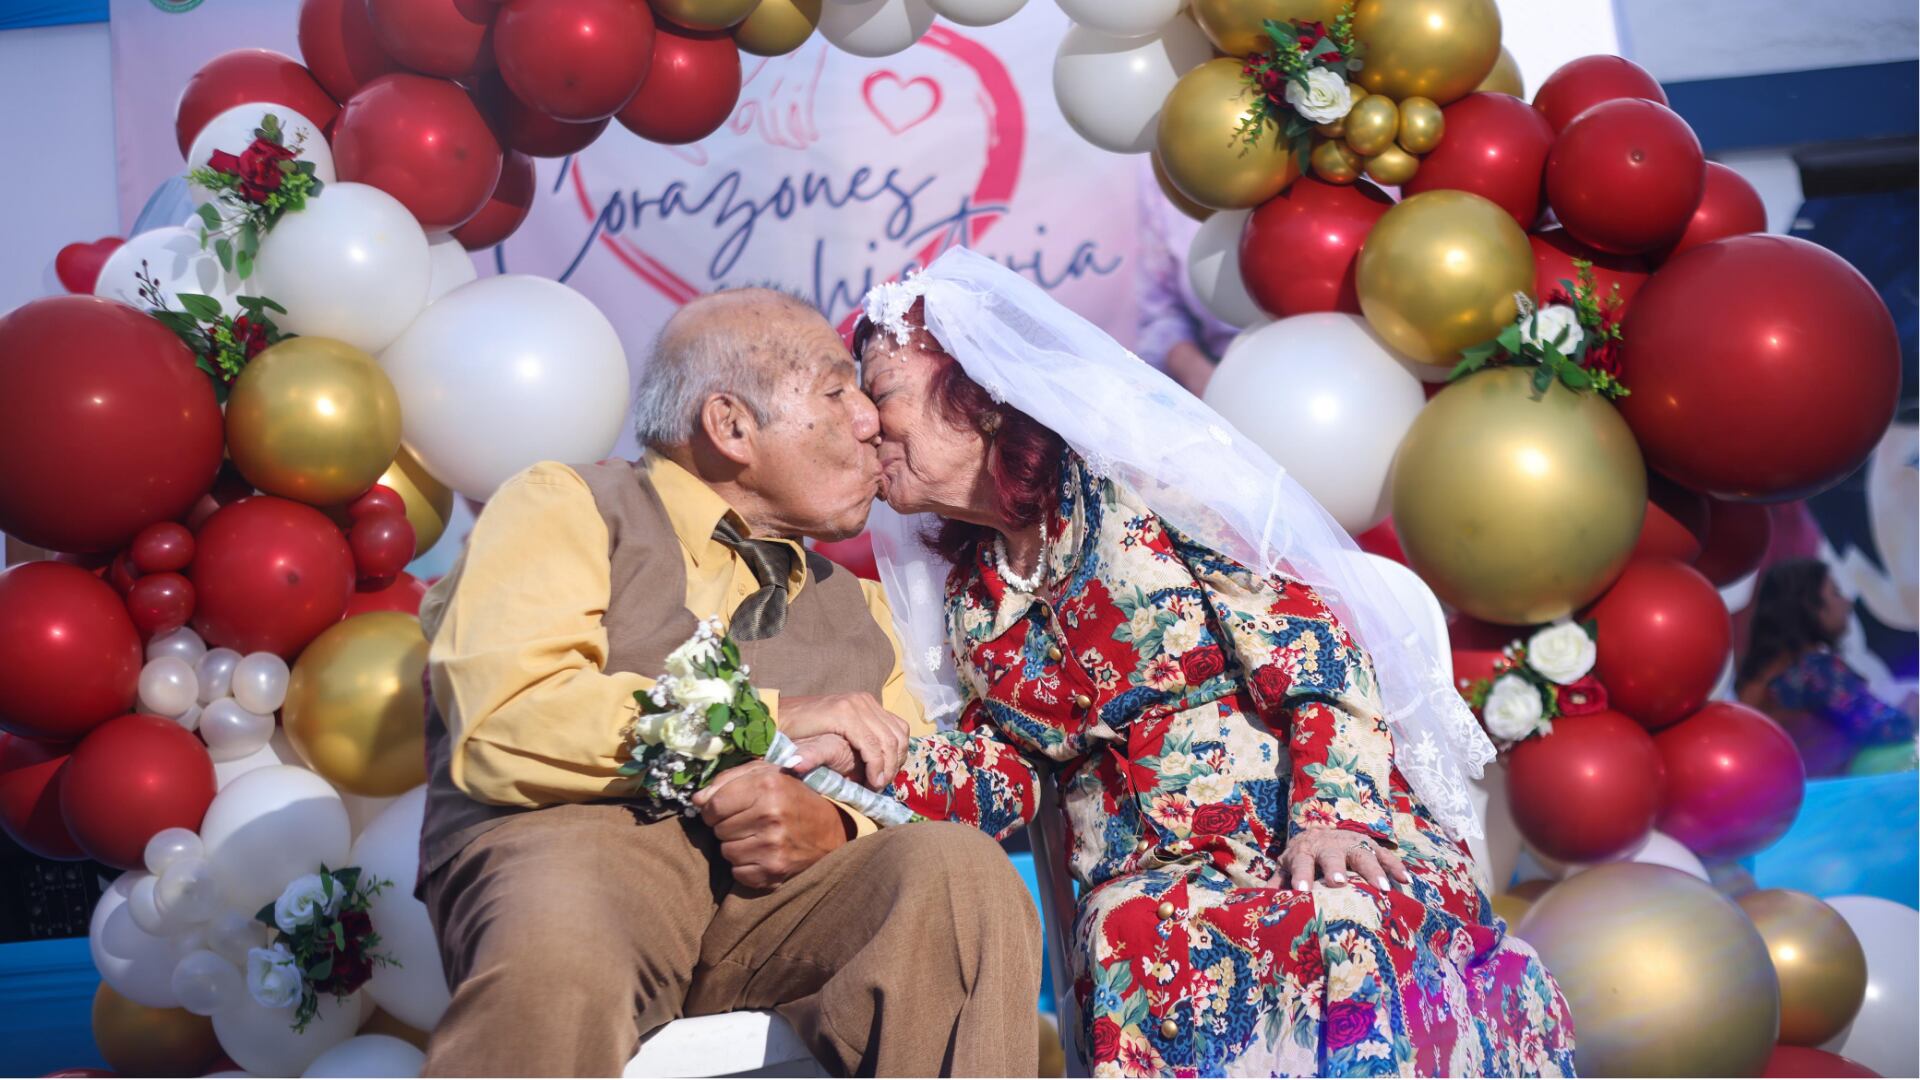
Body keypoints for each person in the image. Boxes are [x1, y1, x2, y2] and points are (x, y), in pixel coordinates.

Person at [854, 249, 1574, 1077]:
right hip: (1146, 875)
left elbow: (1315, 651)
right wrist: (866, 759)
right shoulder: (977, 600)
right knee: (1132, 928)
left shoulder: (1139, 486)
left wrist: (1330, 816)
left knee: (1339, 913)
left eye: (883, 395)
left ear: (975, 395)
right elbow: (1007, 771)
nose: (869, 428)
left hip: (1295, 819)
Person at [415, 287, 1042, 1077]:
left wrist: (835, 828)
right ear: (731, 426)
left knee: (957, 872)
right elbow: (506, 721)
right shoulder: (568, 504)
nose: (868, 420)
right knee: (561, 942)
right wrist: (769, 723)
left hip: (783, 903)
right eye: (837, 390)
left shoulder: (870, 611)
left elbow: (899, 778)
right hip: (584, 850)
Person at [1738, 557, 1916, 775]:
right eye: (1836, 592)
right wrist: (1911, 706)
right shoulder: (1815, 670)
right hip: (1842, 795)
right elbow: (1890, 728)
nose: (1847, 603)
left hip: (1793, 797)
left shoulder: (1757, 678)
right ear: (1810, 606)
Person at [1134, 158, 1236, 397]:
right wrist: (1199, 375)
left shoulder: (1326, 153)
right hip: (1217, 395)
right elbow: (1160, 316)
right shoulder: (1165, 161)